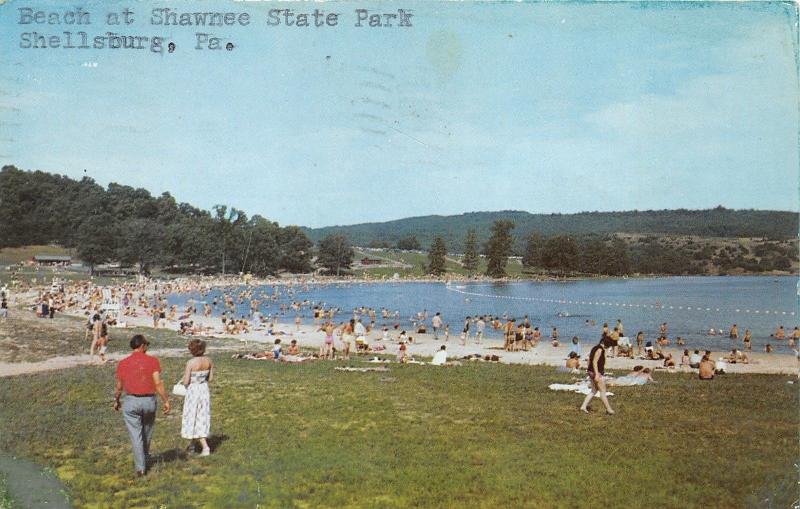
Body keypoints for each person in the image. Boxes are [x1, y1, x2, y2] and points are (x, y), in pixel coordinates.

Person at [114, 334, 170, 476]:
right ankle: (145, 458)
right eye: (147, 345)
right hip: (149, 401)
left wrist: (117, 400)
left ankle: (140, 468)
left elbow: (119, 387)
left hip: (131, 401)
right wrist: (166, 400)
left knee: (136, 434)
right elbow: (158, 383)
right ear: (142, 346)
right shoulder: (152, 361)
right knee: (147, 432)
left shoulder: (123, 363)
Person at [180, 339, 213, 456]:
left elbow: (185, 381)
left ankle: (205, 447)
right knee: (201, 415)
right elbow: (210, 378)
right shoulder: (208, 361)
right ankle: (192, 445)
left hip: (193, 390)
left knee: (192, 415)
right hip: (203, 389)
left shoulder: (190, 363)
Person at [580, 337, 614, 415]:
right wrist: (596, 374)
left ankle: (583, 406)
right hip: (596, 373)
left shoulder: (595, 348)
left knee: (594, 391)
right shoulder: (600, 349)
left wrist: (589, 370)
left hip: (591, 371)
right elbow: (595, 362)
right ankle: (609, 410)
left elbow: (590, 360)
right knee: (602, 391)